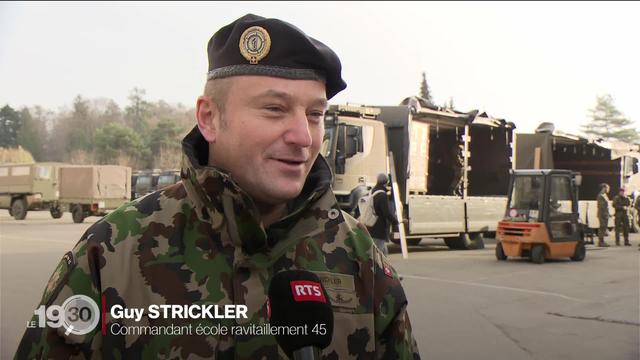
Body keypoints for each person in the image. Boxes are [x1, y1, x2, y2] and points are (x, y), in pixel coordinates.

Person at [15, 14, 420, 359]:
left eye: (315, 114)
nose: (303, 136)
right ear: (209, 118)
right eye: (275, 109)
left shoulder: (358, 256)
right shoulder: (110, 251)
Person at [366, 174, 400, 255]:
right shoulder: (382, 195)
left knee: (383, 252)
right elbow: (386, 213)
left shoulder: (371, 192)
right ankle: (378, 267)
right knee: (379, 254)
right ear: (386, 183)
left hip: (370, 225)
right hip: (379, 228)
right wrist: (396, 222)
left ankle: (382, 266)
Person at [597, 183, 611, 247]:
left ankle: (602, 241)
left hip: (605, 213)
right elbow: (602, 206)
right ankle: (600, 242)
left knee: (604, 227)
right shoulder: (600, 196)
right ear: (604, 188)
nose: (608, 189)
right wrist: (605, 214)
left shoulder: (604, 195)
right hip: (602, 214)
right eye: (607, 188)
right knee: (602, 227)